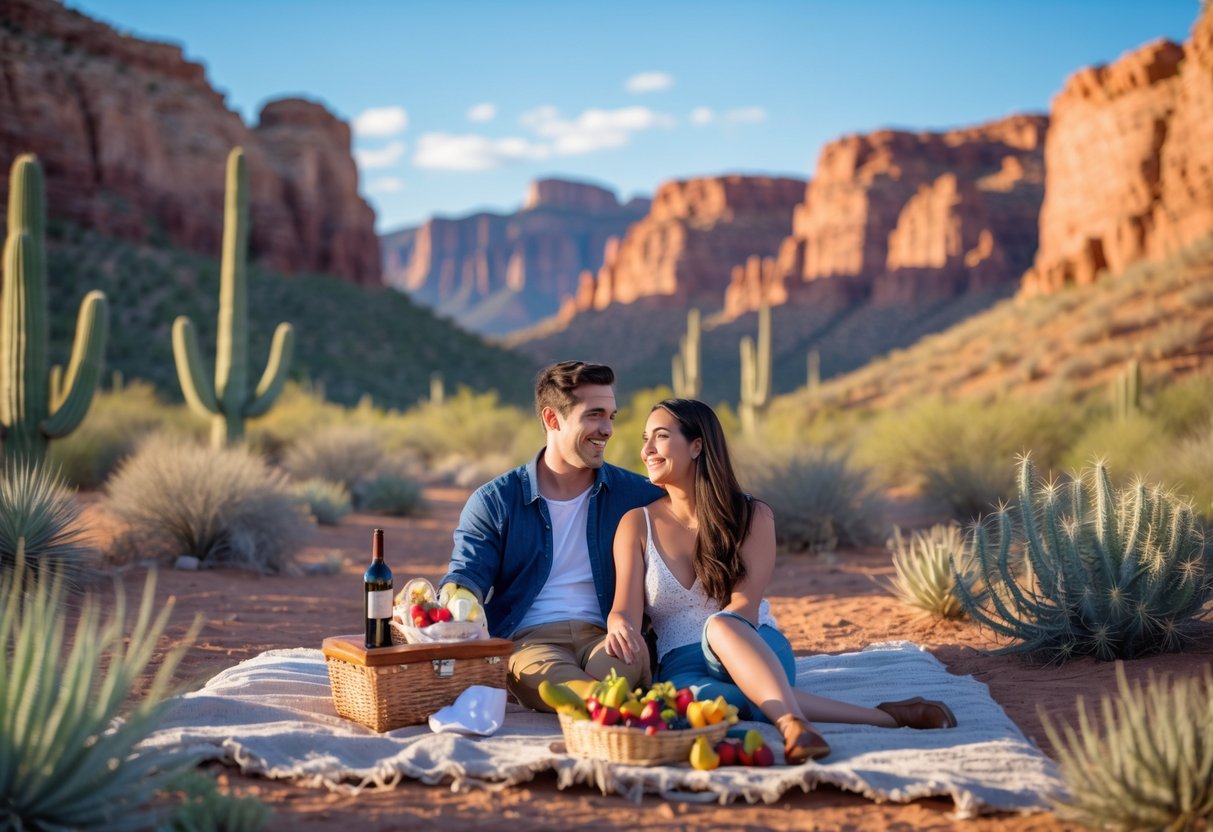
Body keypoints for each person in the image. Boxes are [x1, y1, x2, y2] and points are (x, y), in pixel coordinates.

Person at [604, 398, 957, 764]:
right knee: (696, 703)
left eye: (659, 437)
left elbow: (745, 606)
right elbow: (624, 611)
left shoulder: (752, 515)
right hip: (683, 665)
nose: (646, 450)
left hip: (752, 641)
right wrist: (618, 624)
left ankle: (792, 725)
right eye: (645, 439)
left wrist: (723, 636)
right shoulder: (636, 523)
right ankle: (886, 716)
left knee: (721, 626)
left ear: (697, 445)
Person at [439, 360, 664, 712]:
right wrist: (456, 599)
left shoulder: (637, 495)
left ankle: (607, 709)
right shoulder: (496, 501)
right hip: (530, 643)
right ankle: (618, 711)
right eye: (594, 415)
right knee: (555, 680)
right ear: (552, 419)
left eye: (611, 416)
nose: (607, 429)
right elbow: (467, 574)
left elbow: (701, 515)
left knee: (619, 670)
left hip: (608, 636)